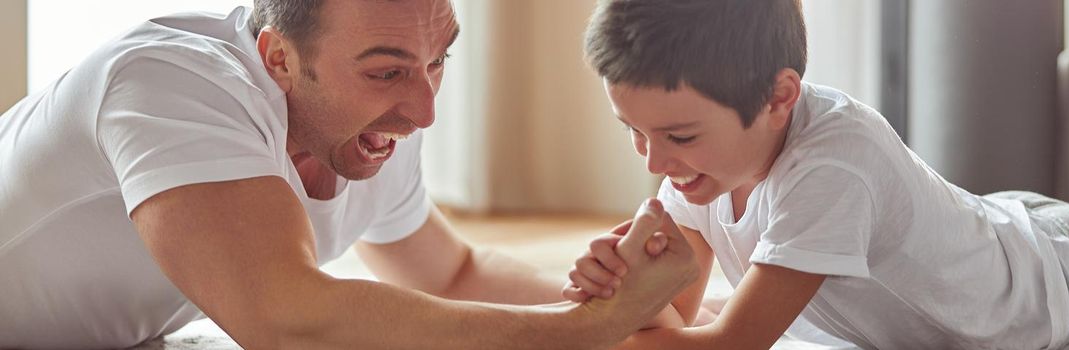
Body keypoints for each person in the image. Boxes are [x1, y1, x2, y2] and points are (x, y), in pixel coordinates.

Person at [0, 0, 698, 348]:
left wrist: (651, 318)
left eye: (438, 62)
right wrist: (590, 327)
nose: (423, 110)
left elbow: (449, 274)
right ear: (276, 59)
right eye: (388, 71)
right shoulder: (170, 81)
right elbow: (283, 319)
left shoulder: (362, 124)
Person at [565, 0, 1069, 348]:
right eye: (633, 130)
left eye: (679, 136)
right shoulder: (701, 172)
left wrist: (623, 307)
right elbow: (679, 318)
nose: (654, 163)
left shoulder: (832, 166)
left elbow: (726, 345)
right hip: (1001, 232)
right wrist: (629, 290)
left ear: (779, 97)